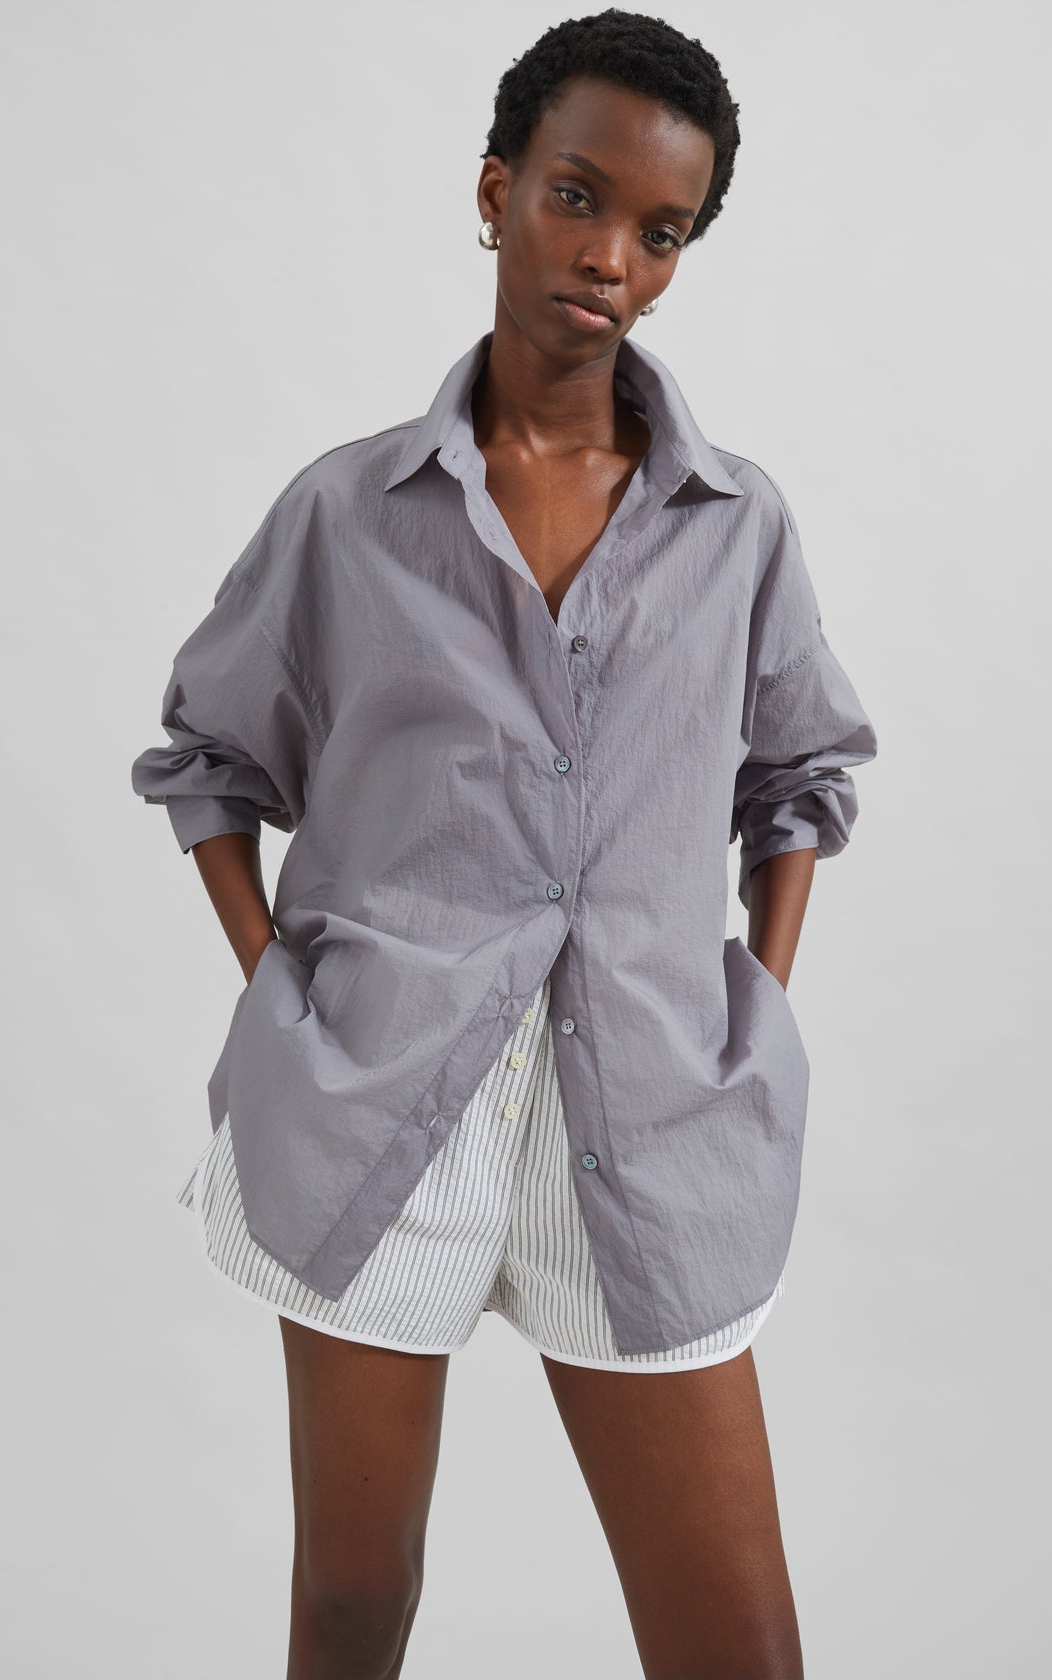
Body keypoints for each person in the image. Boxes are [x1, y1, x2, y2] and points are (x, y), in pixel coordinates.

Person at [131, 10, 877, 1677]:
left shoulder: (736, 527)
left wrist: (754, 996)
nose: (610, 256)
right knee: (352, 1603)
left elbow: (805, 772)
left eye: (661, 232)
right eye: (577, 196)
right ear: (498, 192)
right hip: (372, 1101)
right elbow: (209, 759)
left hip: (652, 1120)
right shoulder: (348, 513)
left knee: (739, 1649)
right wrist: (283, 993)